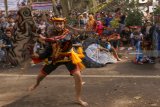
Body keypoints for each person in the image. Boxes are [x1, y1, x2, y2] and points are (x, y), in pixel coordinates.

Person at [29, 17, 88, 106]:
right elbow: (48, 50)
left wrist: (44, 39)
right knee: (40, 76)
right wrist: (38, 56)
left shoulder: (68, 33)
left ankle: (78, 98)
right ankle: (36, 84)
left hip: (68, 57)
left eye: (60, 24)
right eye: (56, 24)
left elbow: (62, 39)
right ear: (54, 24)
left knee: (78, 76)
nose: (59, 26)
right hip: (55, 58)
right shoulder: (50, 34)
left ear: (64, 24)